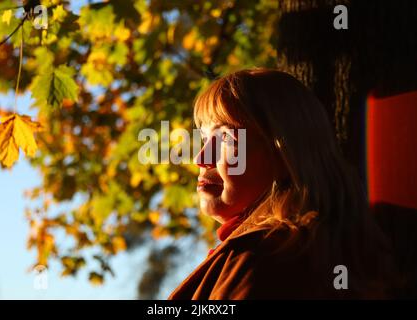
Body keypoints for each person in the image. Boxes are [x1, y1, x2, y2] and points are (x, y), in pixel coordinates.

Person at [168, 68, 397, 300]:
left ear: (284, 154)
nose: (201, 159)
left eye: (226, 138)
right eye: (205, 139)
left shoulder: (265, 257)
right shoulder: (298, 253)